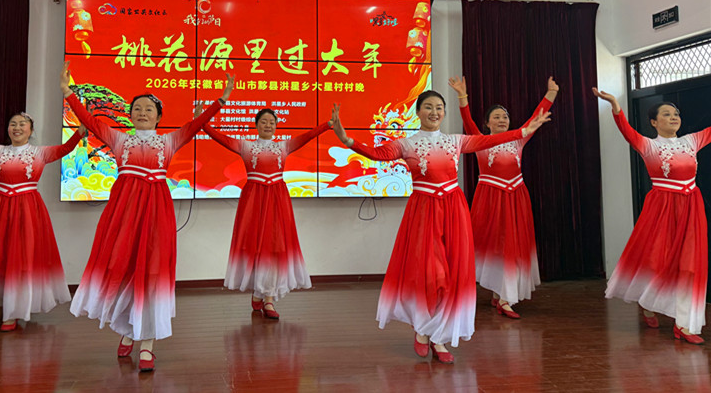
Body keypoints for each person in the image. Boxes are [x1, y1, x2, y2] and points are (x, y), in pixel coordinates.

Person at [330, 91, 550, 363]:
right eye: (428, 107)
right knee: (432, 273)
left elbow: (490, 140)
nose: (434, 112)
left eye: (439, 107)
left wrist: (523, 131)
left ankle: (439, 339)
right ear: (418, 112)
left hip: (454, 210)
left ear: (444, 112)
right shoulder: (407, 144)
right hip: (424, 212)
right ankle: (423, 329)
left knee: (454, 273)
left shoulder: (455, 141)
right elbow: (376, 154)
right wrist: (346, 140)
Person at [61, 62, 234, 371]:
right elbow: (88, 119)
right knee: (124, 267)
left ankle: (147, 344)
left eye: (149, 109)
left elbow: (196, 124)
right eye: (137, 108)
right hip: (123, 212)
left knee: (152, 271)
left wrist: (221, 100)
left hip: (156, 212)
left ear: (158, 117)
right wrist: (67, 92)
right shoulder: (118, 139)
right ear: (130, 115)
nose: (142, 112)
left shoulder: (169, 141)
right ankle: (128, 330)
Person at [0, 96, 84, 331]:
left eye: (22, 124)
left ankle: (15, 312)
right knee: (3, 257)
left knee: (24, 259)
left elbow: (66, 148)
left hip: (29, 210)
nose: (17, 127)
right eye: (13, 124)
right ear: (8, 129)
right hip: (1, 210)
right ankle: (9, 309)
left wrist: (81, 130)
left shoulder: (40, 153)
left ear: (31, 131)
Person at [593, 88, 709, 344]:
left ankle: (685, 325)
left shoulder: (692, 141)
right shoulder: (649, 145)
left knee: (690, 264)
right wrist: (615, 106)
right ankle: (647, 301)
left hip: (691, 208)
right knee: (656, 260)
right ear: (654, 122)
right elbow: (626, 131)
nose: (673, 117)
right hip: (662, 209)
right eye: (666, 114)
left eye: (676, 114)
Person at [197, 105, 333, 319]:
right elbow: (220, 138)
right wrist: (201, 122)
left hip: (278, 200)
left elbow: (307, 136)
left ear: (276, 126)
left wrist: (328, 124)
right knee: (255, 246)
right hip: (254, 201)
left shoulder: (283, 146)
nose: (268, 125)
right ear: (256, 125)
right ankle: (258, 291)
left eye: (272, 122)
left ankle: (268, 299)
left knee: (275, 247)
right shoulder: (246, 146)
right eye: (264, 121)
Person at [448, 76, 558, 319]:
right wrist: (462, 96)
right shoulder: (480, 141)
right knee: (495, 246)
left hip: (516, 198)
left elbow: (535, 118)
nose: (502, 120)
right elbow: (468, 121)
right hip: (490, 200)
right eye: (496, 117)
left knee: (512, 247)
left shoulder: (519, 138)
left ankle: (504, 297)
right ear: (487, 123)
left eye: (505, 117)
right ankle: (500, 293)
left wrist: (551, 94)